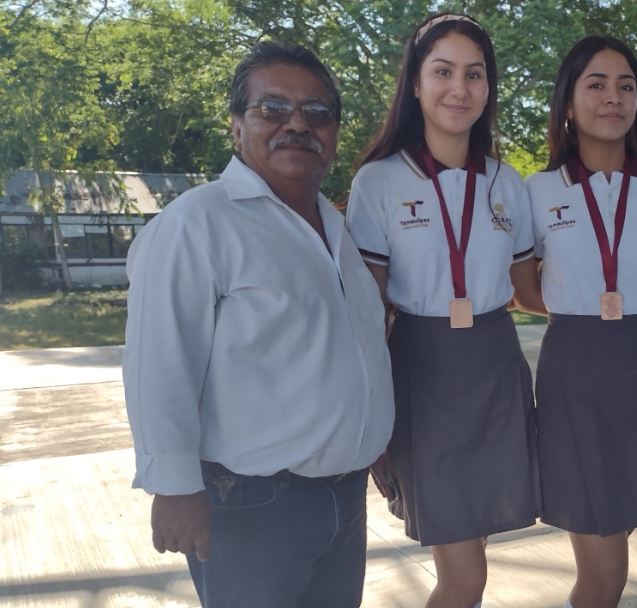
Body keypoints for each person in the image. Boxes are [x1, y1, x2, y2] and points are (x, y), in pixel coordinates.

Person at [122, 41, 394, 607]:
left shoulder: (336, 230)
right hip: (250, 505)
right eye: (272, 108)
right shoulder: (197, 224)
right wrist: (174, 486)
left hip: (344, 500)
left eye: (317, 112)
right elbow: (159, 362)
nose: (297, 124)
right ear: (237, 126)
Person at [345, 13, 544, 608]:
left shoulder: (508, 183)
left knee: (473, 553)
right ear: (415, 82)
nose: (459, 88)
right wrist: (372, 408)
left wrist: (629, 299)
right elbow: (368, 310)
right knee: (465, 577)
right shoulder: (379, 181)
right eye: (443, 71)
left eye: (474, 74)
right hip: (421, 375)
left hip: (497, 368)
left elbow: (530, 292)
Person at [525, 36, 637, 608]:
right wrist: (582, 310)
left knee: (617, 534)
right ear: (568, 103)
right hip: (573, 369)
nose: (613, 97)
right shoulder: (537, 191)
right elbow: (523, 289)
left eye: (626, 86)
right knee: (604, 571)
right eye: (595, 84)